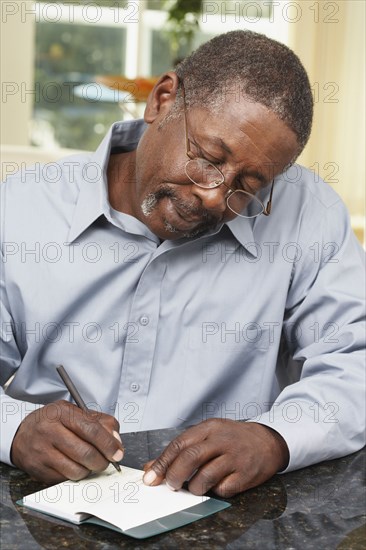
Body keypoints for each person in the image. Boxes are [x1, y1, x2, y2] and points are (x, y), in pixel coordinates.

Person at [1, 30, 364, 498]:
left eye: (248, 186)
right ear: (162, 100)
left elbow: (354, 364)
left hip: (223, 515)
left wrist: (276, 438)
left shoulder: (308, 214)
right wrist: (15, 430)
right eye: (209, 158)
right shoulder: (22, 208)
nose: (215, 197)